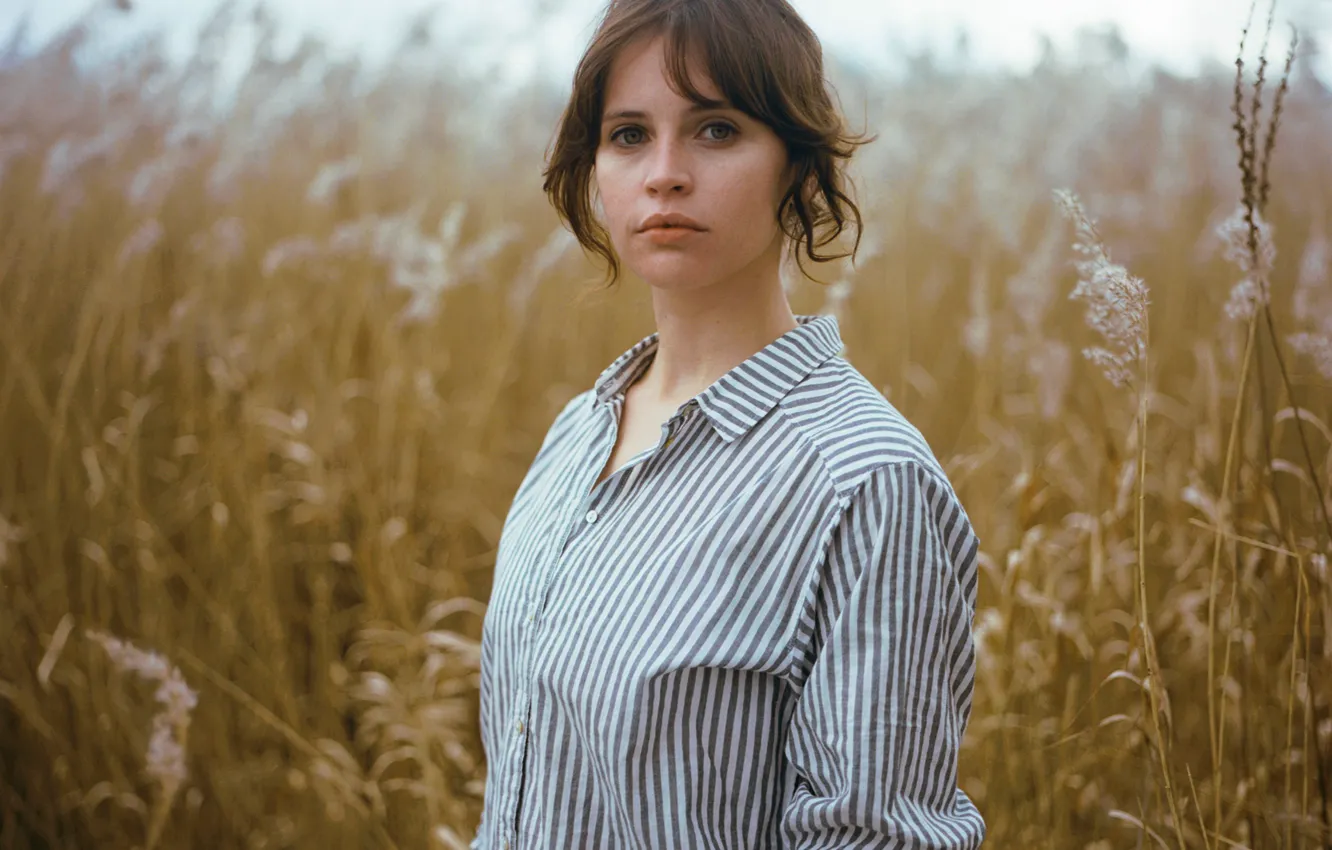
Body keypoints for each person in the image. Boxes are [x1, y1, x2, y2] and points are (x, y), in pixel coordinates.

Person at [473, 0, 985, 846]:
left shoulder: (864, 482)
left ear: (796, 162)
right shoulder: (578, 431)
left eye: (715, 130)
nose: (664, 172)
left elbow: (871, 834)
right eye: (629, 134)